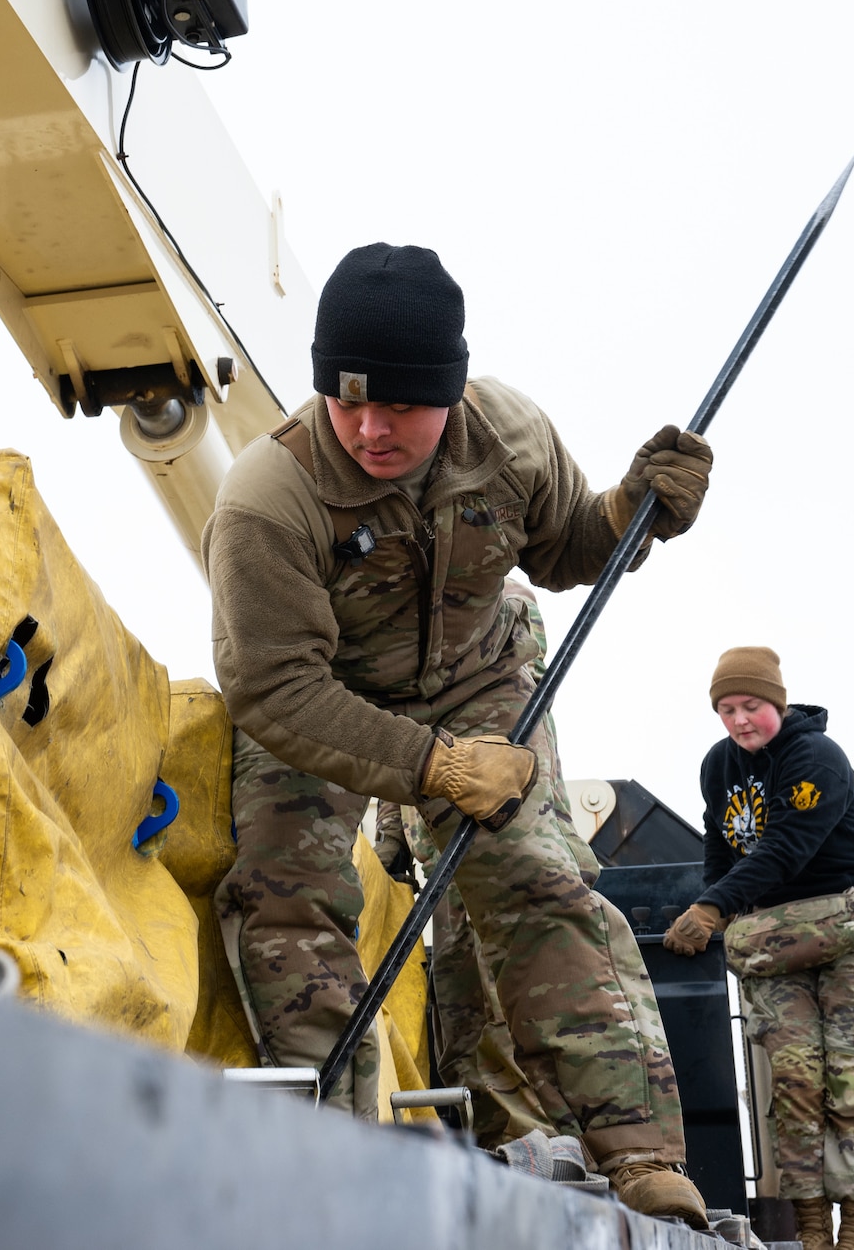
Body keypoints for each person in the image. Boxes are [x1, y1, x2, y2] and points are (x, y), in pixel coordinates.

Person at [202, 242, 714, 1225]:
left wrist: (633, 514)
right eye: (345, 403)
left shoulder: (508, 433)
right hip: (320, 693)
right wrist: (431, 767)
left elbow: (569, 546)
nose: (366, 428)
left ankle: (640, 1157)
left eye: (396, 405)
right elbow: (273, 691)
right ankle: (331, 1161)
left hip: (480, 672)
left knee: (534, 881)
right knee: (283, 898)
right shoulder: (266, 500)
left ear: (449, 391)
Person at [664, 648, 854, 1250]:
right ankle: (812, 1233)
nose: (739, 720)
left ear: (776, 701)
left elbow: (785, 849)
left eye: (751, 705)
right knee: (796, 1087)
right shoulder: (718, 765)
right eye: (726, 709)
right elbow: (719, 847)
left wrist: (710, 910)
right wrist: (714, 894)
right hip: (778, 940)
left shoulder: (816, 758)